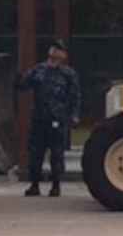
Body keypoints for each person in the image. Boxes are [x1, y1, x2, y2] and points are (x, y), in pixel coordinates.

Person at [16, 39, 81, 197]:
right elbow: (23, 85)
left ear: (63, 55)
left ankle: (56, 184)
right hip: (39, 117)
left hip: (58, 118)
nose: (55, 52)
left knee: (57, 153)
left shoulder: (68, 74)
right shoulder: (38, 70)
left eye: (59, 50)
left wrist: (74, 115)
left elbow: (75, 96)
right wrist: (17, 78)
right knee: (35, 152)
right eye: (53, 48)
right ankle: (35, 184)